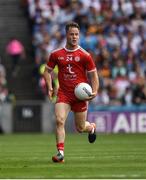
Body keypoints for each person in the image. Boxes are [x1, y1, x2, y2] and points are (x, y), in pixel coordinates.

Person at [43, 22, 99, 163]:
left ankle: (91, 127)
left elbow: (93, 75)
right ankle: (60, 153)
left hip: (80, 96)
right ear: (66, 35)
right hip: (64, 94)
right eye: (71, 34)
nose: (74, 37)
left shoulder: (85, 55)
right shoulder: (56, 54)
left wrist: (96, 90)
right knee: (59, 120)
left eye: (76, 34)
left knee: (80, 128)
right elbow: (47, 71)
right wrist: (49, 86)